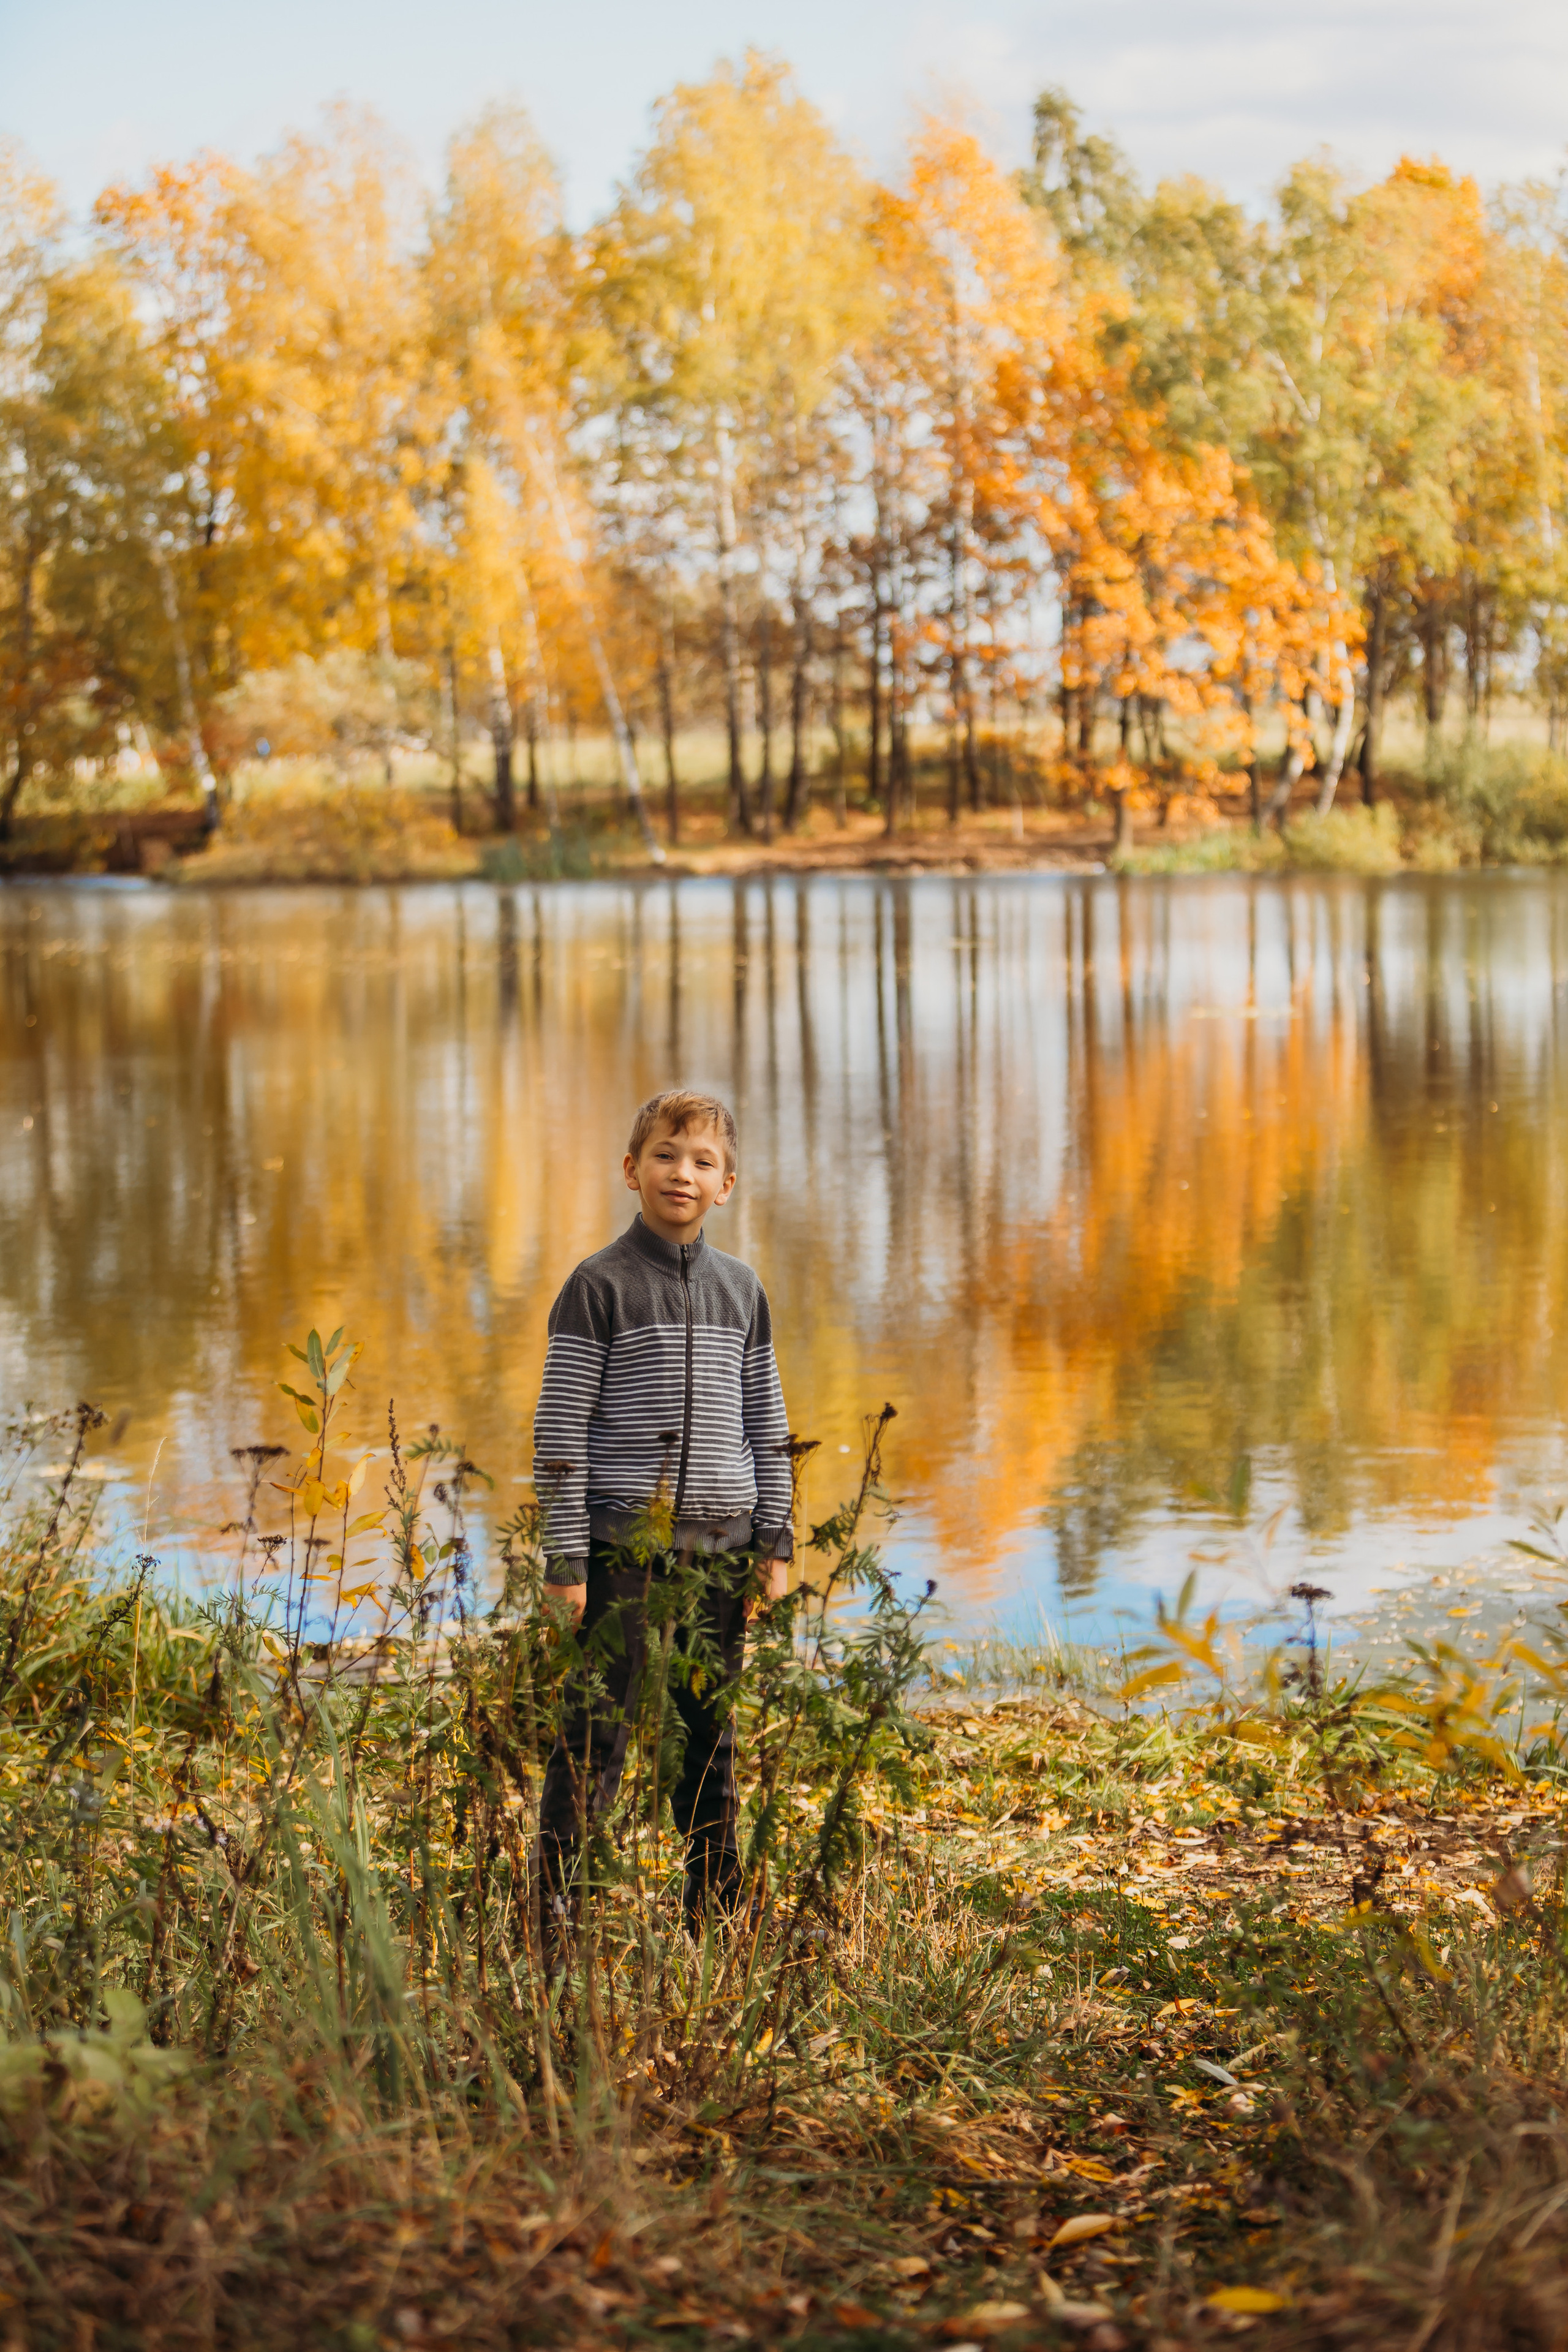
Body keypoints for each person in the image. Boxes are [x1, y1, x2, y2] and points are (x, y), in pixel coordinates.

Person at [532, 1088, 792, 1943]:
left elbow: (766, 1420)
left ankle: (714, 1912)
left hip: (721, 1552)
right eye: (667, 1155)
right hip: (621, 1552)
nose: (683, 1172)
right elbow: (561, 1429)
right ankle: (555, 1918)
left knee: (708, 1738)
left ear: (726, 1187)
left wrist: (774, 1540)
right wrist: (566, 1562)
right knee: (595, 1739)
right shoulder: (597, 1286)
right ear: (632, 1170)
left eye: (703, 1161)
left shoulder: (742, 1290)